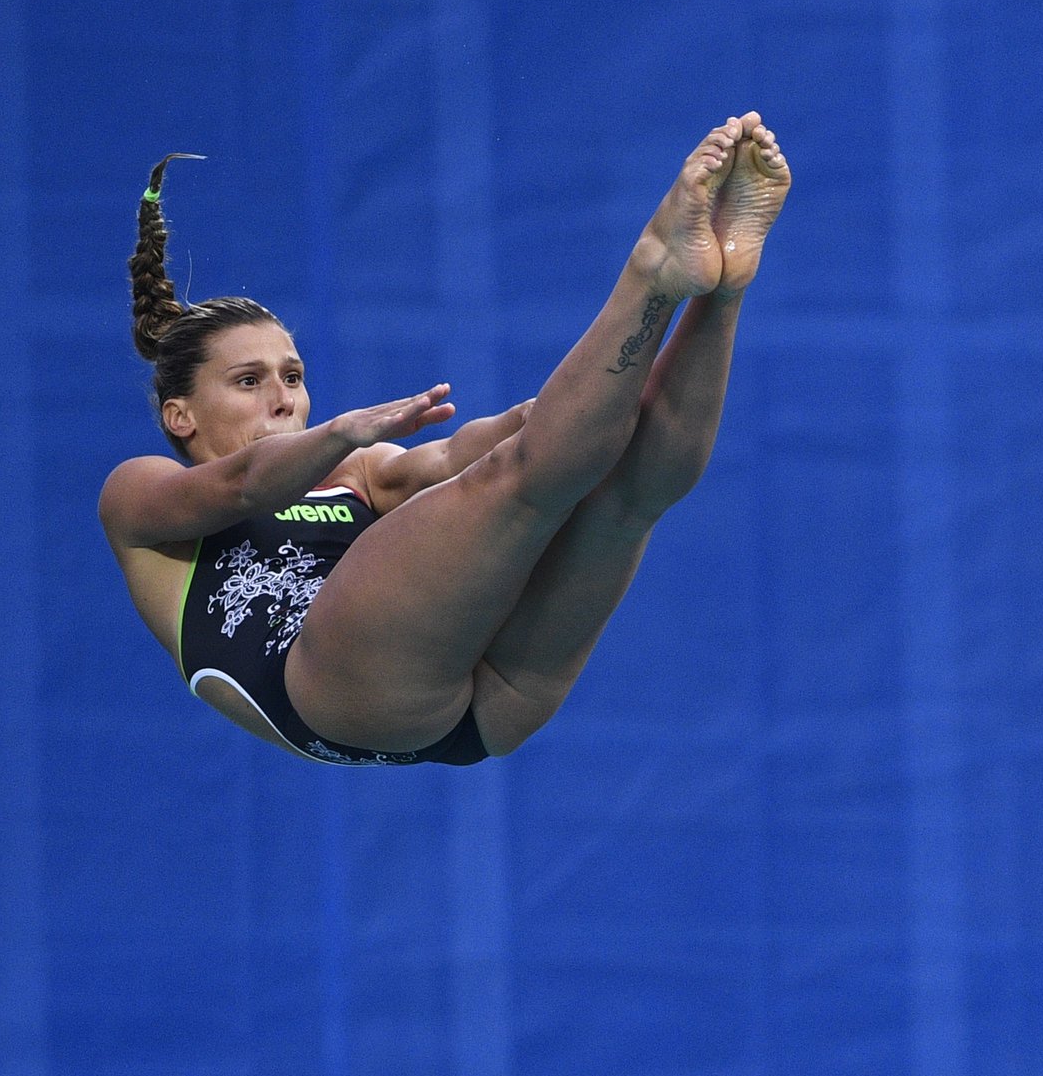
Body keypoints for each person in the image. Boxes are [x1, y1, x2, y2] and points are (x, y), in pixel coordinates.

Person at [99, 115, 789, 765]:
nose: (284, 397)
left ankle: (720, 287)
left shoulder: (361, 469)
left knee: (624, 486)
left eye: (293, 375)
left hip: (492, 707)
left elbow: (469, 456)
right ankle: (653, 268)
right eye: (249, 382)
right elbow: (243, 484)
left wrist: (552, 413)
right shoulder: (140, 498)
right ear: (180, 415)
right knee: (519, 483)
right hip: (334, 690)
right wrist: (340, 434)